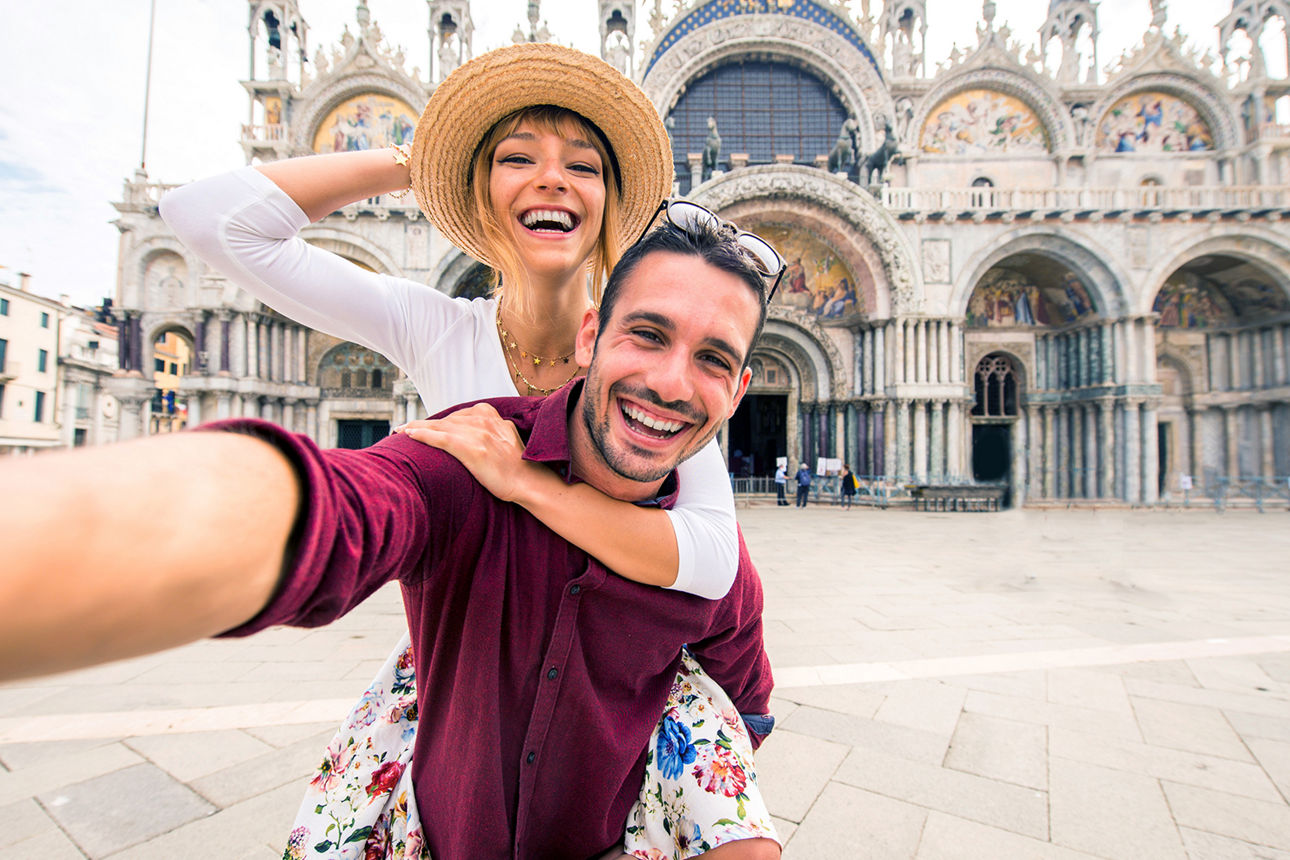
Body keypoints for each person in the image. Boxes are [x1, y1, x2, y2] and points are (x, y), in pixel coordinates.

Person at [158, 43, 779, 858]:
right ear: (485, 196)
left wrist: (525, 483)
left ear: (610, 206)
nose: (551, 180)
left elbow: (711, 558)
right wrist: (421, 163)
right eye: (516, 160)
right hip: (477, 657)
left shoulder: (646, 355)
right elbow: (207, 218)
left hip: (619, 673)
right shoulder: (435, 327)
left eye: (582, 166)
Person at [0, 217, 778, 859]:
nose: (672, 383)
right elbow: (341, 510)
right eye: (647, 334)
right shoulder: (467, 457)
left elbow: (745, 711)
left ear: (740, 390)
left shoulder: (714, 565)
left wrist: (673, 799)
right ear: (588, 337)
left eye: (713, 358)